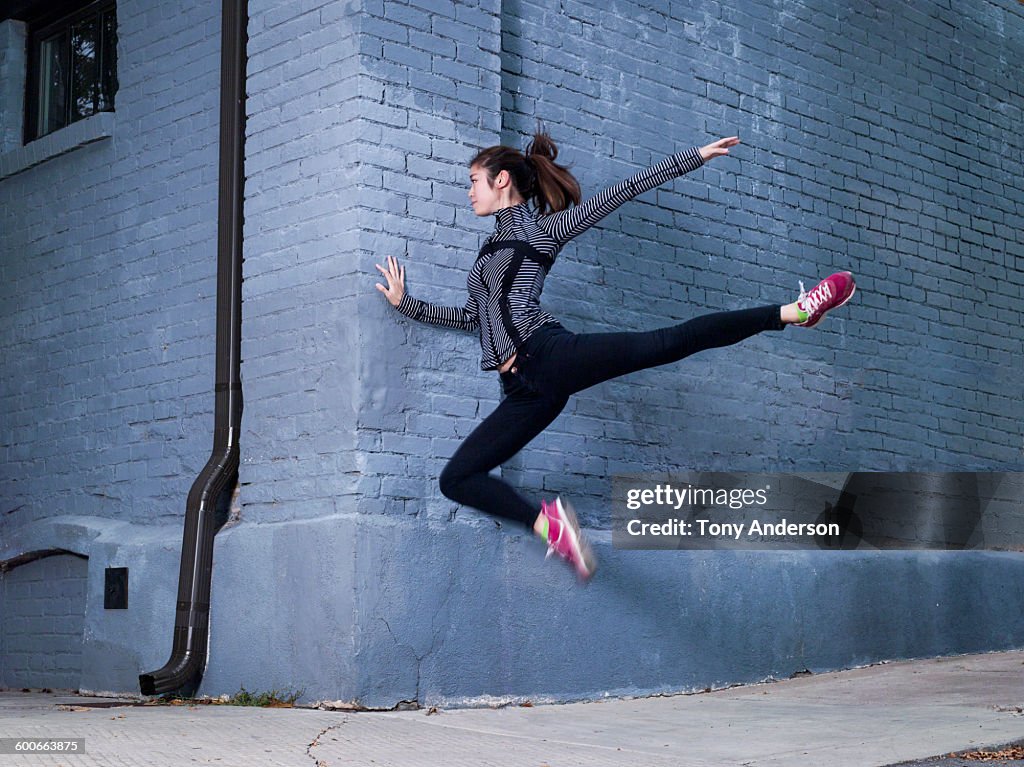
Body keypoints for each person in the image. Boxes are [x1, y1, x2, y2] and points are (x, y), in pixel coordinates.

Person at [374, 130, 855, 581]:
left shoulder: (543, 232)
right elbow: (476, 318)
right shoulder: (487, 252)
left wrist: (694, 158)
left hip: (549, 354)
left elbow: (619, 193)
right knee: (457, 478)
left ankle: (794, 312)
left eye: (473, 181)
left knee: (668, 342)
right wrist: (407, 305)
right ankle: (551, 527)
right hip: (523, 392)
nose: (469, 191)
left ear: (501, 181)